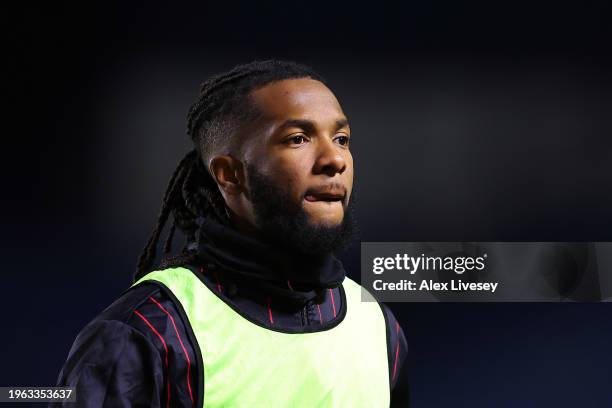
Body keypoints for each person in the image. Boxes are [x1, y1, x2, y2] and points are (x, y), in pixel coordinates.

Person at [53, 59, 409, 407]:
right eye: (298, 138)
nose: (335, 159)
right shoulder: (149, 331)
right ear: (229, 175)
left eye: (342, 138)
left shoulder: (376, 328)